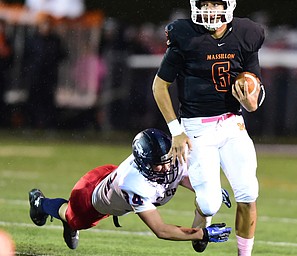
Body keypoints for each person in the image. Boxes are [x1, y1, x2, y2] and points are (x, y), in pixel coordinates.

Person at [152, 1, 265, 255]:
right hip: (197, 129)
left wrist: (249, 99)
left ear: (228, 6)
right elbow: (159, 86)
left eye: (216, 4)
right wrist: (176, 131)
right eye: (205, 4)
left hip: (232, 124)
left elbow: (255, 93)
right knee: (210, 203)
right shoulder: (186, 35)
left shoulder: (247, 34)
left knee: (248, 192)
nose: (210, 9)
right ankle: (202, 222)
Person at [28, 128, 232, 250]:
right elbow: (160, 230)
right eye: (157, 164)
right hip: (90, 199)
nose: (165, 167)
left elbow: (180, 175)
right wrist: (202, 235)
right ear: (143, 164)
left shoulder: (170, 158)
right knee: (72, 218)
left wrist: (206, 189)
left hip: (111, 176)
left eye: (166, 160)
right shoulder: (134, 184)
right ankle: (40, 203)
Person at [23, 16, 67, 129]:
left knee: (48, 101)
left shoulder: (55, 40)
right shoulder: (33, 39)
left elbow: (62, 55)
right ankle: (31, 124)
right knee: (33, 101)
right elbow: (26, 57)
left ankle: (49, 126)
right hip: (35, 76)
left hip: (49, 76)